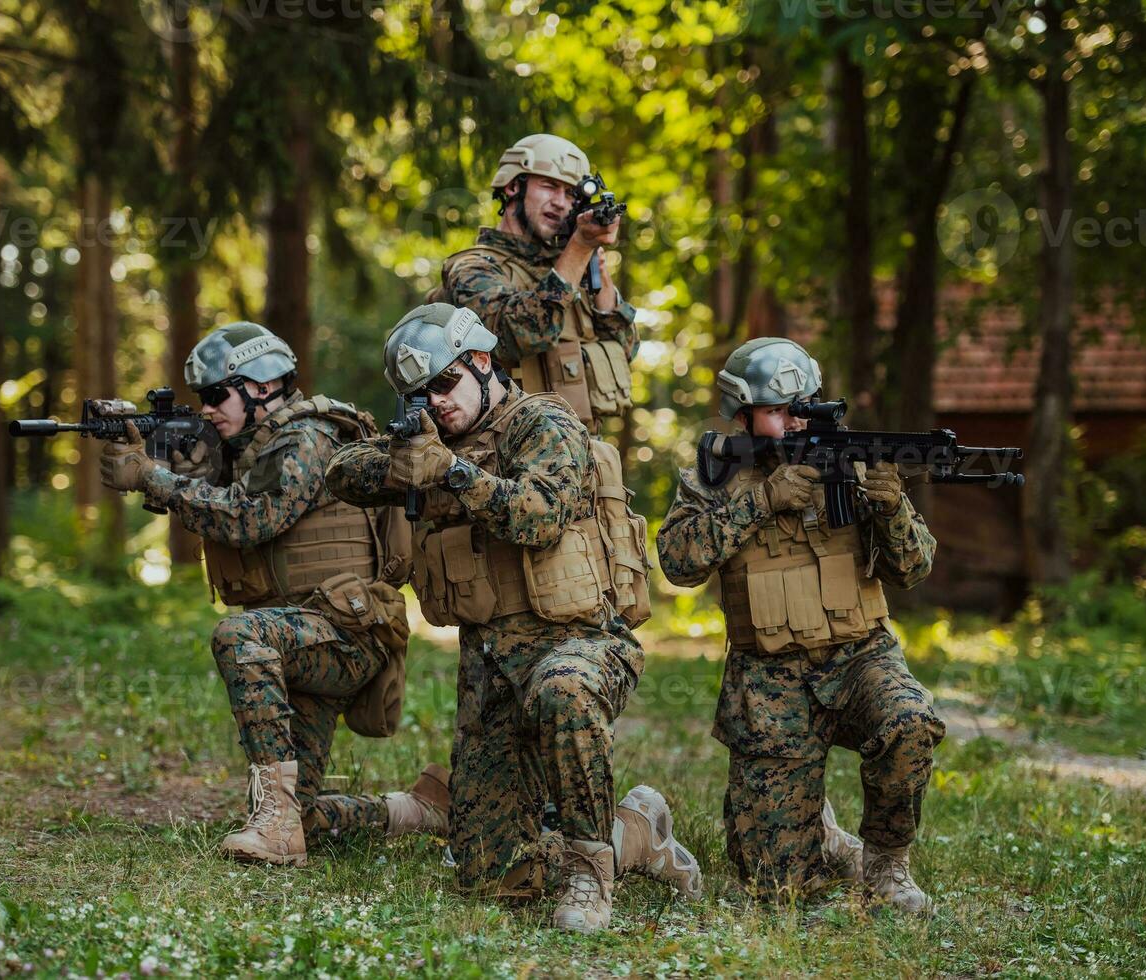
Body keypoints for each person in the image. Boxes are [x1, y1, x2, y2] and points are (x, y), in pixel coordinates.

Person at [324, 303, 701, 932]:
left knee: (565, 694)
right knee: (492, 875)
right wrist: (402, 459)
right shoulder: (431, 438)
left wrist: (453, 471)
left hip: (578, 643)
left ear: (481, 361)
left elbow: (537, 516)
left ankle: (590, 868)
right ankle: (636, 834)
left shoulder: (544, 422)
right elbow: (342, 473)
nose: (435, 403)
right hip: (492, 668)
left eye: (444, 384)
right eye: (419, 395)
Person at [99, 321, 448, 867]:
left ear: (261, 386)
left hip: (345, 633)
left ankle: (276, 823)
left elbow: (250, 519)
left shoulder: (306, 437)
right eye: (202, 400)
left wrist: (152, 478)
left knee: (238, 635)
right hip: (303, 636)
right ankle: (416, 811)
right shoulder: (257, 448)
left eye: (218, 395)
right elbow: (226, 496)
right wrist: (158, 457)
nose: (209, 409)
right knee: (302, 812)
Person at [654, 337, 945, 914]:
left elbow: (913, 568)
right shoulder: (715, 477)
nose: (793, 423)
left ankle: (884, 864)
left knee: (911, 720)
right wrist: (761, 502)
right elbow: (677, 562)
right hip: (769, 682)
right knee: (775, 887)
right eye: (777, 411)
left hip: (860, 657)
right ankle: (822, 837)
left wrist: (890, 509)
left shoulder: (857, 465)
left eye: (802, 406)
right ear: (741, 413)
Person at [436, 133, 638, 432]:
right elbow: (516, 335)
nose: (560, 202)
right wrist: (579, 248)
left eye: (571, 194)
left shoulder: (570, 264)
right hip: (508, 464)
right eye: (549, 186)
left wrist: (594, 262)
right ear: (513, 186)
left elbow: (626, 348)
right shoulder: (473, 267)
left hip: (586, 463)